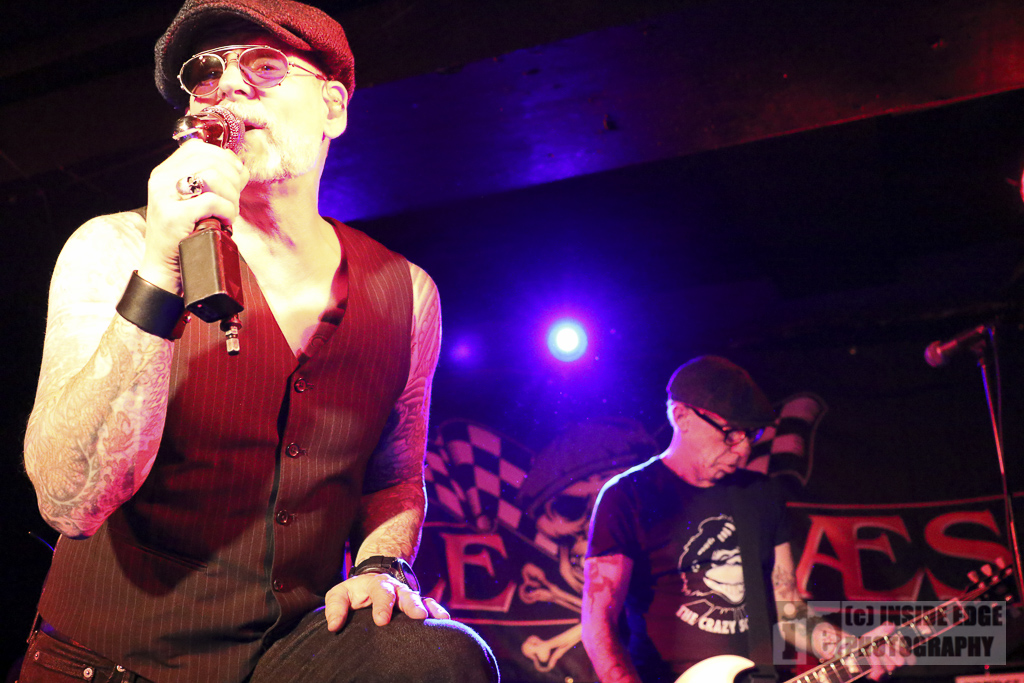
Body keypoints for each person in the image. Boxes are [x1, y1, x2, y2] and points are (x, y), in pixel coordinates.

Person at [19, 0, 499, 681]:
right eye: (206, 74)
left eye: (265, 67)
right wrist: (158, 271)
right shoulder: (115, 248)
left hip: (286, 657)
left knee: (438, 653)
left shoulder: (407, 292)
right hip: (111, 662)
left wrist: (383, 565)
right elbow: (69, 501)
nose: (229, 86)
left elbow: (394, 479)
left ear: (332, 107)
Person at [580, 356, 906, 683]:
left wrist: (850, 647)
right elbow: (599, 622)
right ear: (682, 417)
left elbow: (791, 613)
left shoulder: (762, 494)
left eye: (751, 435)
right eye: (731, 433)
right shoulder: (627, 496)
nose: (743, 450)